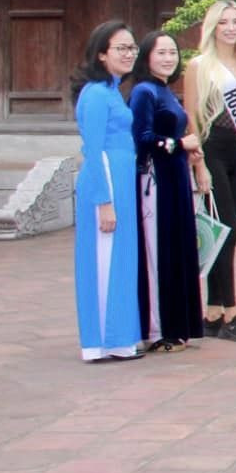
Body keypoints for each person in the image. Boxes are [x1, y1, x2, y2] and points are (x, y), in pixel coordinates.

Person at [182, 0, 236, 341]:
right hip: (213, 150)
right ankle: (230, 311)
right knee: (225, 230)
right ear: (212, 27)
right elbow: (192, 118)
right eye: (223, 22)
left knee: (226, 231)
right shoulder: (199, 65)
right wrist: (198, 164)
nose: (230, 28)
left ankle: (213, 312)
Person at [72, 21, 145, 362]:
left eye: (132, 48)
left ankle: (119, 337)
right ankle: (101, 340)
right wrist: (104, 202)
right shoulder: (96, 94)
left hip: (121, 180)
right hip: (106, 182)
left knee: (122, 259)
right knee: (104, 261)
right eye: (121, 48)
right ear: (102, 54)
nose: (129, 54)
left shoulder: (113, 90)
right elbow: (94, 149)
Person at [129, 31, 206, 351]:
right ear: (146, 57)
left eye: (173, 52)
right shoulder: (143, 92)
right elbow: (142, 137)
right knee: (158, 252)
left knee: (177, 249)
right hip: (156, 181)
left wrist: (186, 153)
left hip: (176, 178)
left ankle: (178, 324)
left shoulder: (165, 91)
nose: (168, 58)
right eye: (161, 52)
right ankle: (157, 327)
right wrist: (178, 144)